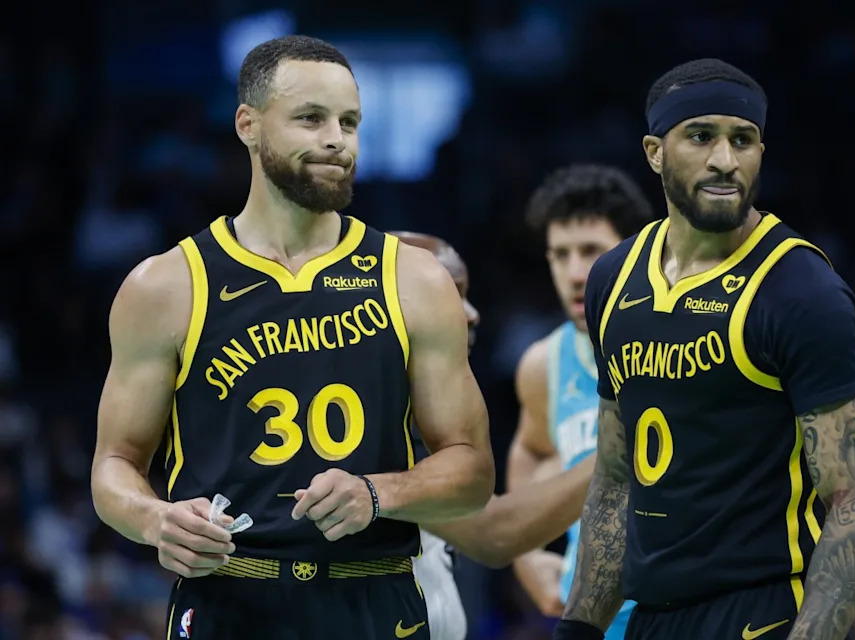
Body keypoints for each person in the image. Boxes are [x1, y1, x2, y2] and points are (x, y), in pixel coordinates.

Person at [90, 35, 494, 640]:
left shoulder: (413, 279)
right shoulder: (166, 285)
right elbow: (114, 465)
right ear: (247, 125)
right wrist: (154, 519)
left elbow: (472, 472)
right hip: (229, 596)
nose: (337, 139)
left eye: (350, 122)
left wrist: (378, 493)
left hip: (372, 593)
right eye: (311, 118)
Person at [553, 58, 855, 640]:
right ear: (655, 152)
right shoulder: (613, 278)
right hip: (652, 617)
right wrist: (580, 627)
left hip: (761, 612)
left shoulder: (800, 291)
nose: (725, 161)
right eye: (701, 136)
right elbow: (614, 481)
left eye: (743, 140)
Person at [390, 230, 600, 640]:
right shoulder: (369, 423)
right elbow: (495, 532)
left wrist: (535, 557)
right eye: (449, 294)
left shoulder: (430, 413)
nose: (471, 313)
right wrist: (619, 450)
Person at [504, 164, 654, 637]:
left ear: (633, 253)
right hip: (591, 615)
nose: (573, 273)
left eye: (590, 251)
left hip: (685, 608)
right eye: (558, 255)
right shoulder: (542, 363)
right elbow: (532, 451)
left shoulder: (685, 343)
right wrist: (526, 555)